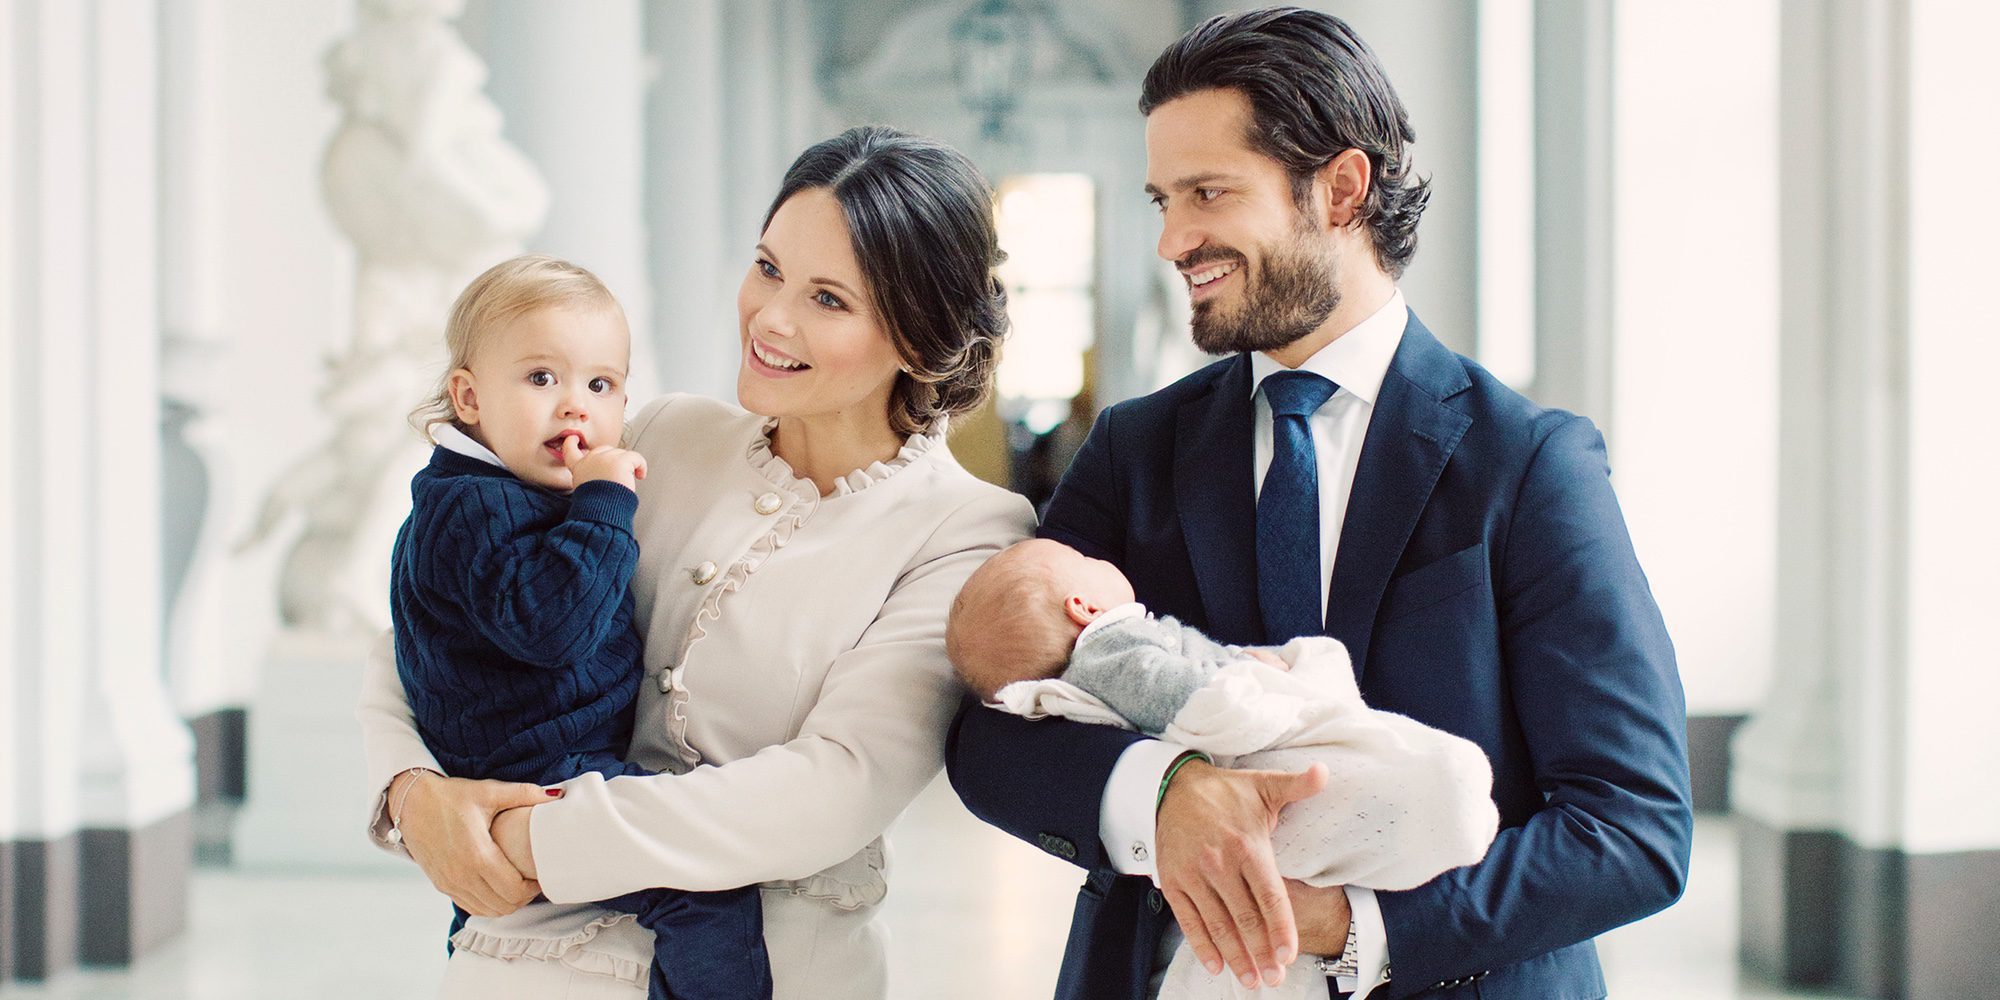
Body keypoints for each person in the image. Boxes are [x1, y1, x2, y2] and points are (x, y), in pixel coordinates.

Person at [946, 7, 1693, 1000]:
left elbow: (1633, 825)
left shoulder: (1528, 463)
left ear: (1339, 189)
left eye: (1207, 192)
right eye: (1162, 198)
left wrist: (1347, 924)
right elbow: (987, 728)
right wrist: (1161, 795)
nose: (1172, 238)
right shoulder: (1135, 448)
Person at [358, 125, 1036, 999]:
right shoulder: (657, 436)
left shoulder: (966, 528)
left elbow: (833, 788)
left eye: (828, 299)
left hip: (772, 970)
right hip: (516, 962)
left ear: (917, 334)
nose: (771, 317)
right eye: (767, 267)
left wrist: (522, 838)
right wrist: (413, 796)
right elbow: (432, 618)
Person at [389, 253, 771, 1000]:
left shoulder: (490, 490)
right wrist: (602, 502)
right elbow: (554, 629)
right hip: (541, 772)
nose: (575, 408)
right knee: (703, 887)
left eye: (601, 386)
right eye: (541, 379)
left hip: (541, 757)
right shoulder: (476, 505)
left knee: (492, 916)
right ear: (468, 397)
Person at [946, 538, 1497, 1000]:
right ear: (1082, 607)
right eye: (1083, 561)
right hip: (1261, 779)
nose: (1093, 555)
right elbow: (1199, 701)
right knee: (1440, 782)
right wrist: (1249, 701)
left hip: (1457, 959)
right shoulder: (1113, 649)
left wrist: (1345, 927)